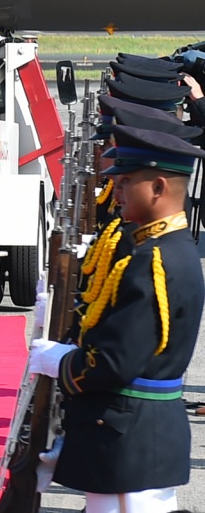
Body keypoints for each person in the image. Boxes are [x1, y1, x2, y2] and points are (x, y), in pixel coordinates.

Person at [29, 125, 205, 513]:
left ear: (158, 188)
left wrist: (60, 361)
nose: (117, 189)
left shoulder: (154, 261)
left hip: (131, 437)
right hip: (126, 433)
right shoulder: (162, 249)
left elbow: (113, 362)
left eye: (126, 181)